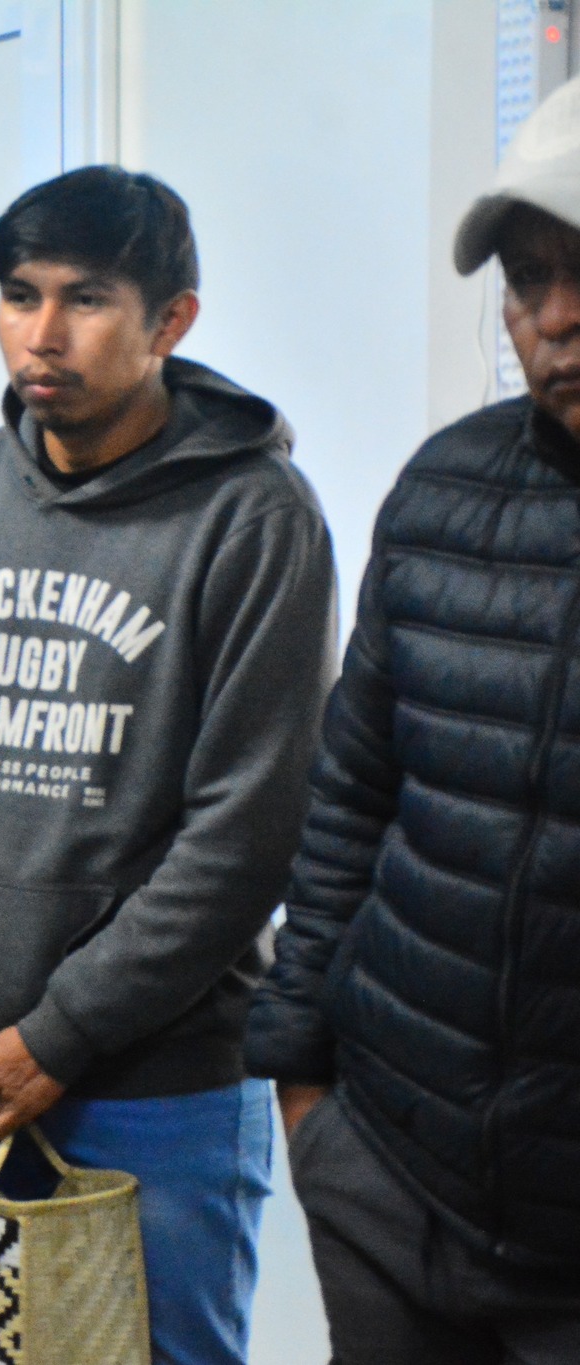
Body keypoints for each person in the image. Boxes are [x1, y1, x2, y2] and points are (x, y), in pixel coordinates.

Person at [0, 168, 337, 1365]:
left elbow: (248, 831)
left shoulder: (253, 516)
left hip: (157, 1087)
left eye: (84, 299)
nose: (41, 334)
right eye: (17, 295)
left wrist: (62, 1031)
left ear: (169, 320)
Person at [246, 80, 580, 1364]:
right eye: (525, 278)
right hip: (389, 1182)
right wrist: (305, 1102)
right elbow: (349, 796)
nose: (555, 318)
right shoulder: (441, 488)